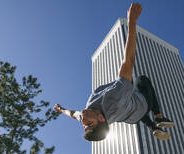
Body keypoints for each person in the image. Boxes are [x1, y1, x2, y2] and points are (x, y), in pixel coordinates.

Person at [54, 3, 175, 142]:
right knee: (141, 80)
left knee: (130, 101)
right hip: (141, 105)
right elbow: (128, 61)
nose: (83, 122)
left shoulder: (84, 116)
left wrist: (61, 109)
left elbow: (73, 114)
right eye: (89, 124)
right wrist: (132, 22)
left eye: (84, 126)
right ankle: (159, 117)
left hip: (131, 116)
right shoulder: (114, 98)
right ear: (100, 117)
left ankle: (153, 127)